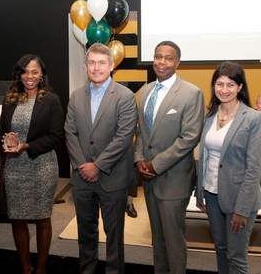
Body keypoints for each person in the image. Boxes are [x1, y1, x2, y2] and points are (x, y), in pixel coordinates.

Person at [64, 43, 138, 274]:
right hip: (81, 177)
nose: (96, 68)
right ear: (86, 66)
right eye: (92, 63)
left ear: (111, 65)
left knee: (114, 236)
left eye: (101, 63)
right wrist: (82, 165)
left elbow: (124, 136)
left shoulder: (125, 96)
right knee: (85, 233)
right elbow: (70, 132)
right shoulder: (76, 96)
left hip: (112, 178)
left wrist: (98, 165)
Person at [134, 40, 205, 274]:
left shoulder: (191, 93)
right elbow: (141, 132)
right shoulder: (145, 91)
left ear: (177, 62)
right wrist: (138, 160)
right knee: (157, 240)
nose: (161, 62)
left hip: (174, 180)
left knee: (174, 242)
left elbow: (189, 138)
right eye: (158, 56)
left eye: (168, 58)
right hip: (150, 180)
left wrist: (155, 165)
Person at [0, 54, 64, 274]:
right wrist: (7, 140)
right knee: (17, 219)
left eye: (34, 71)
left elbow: (56, 137)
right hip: (14, 168)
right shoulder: (10, 98)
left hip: (42, 166)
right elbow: (1, 130)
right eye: (25, 71)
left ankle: (41, 268)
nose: (29, 76)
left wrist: (25, 146)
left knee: (43, 219)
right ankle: (25, 267)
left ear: (42, 74)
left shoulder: (51, 100)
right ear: (19, 74)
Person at [195, 61, 261, 274]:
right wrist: (200, 194)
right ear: (214, 86)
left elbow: (254, 169)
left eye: (230, 85)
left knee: (237, 257)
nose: (224, 90)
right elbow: (204, 157)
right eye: (219, 84)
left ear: (240, 87)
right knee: (221, 250)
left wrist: (242, 209)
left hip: (238, 197)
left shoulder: (253, 119)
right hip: (212, 194)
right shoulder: (211, 115)